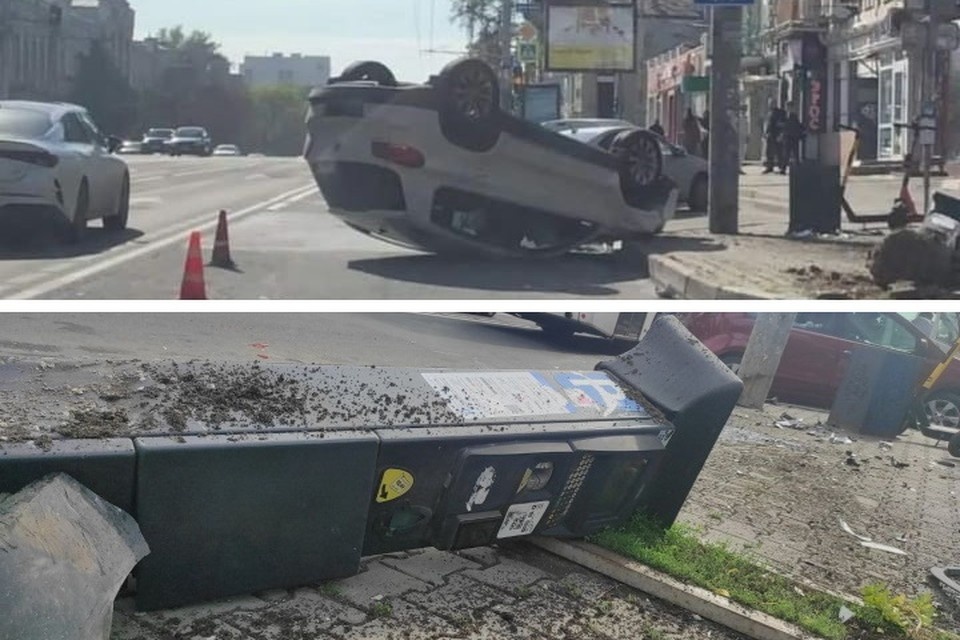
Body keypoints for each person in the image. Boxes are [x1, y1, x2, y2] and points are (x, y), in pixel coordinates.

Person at [780, 101, 804, 174]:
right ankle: (783, 168)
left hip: (793, 137)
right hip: (787, 136)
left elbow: (797, 125)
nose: (788, 108)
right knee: (786, 154)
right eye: (787, 107)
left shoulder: (794, 116)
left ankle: (797, 168)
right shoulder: (785, 116)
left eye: (790, 107)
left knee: (795, 153)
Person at [763, 99, 786, 174]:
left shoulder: (781, 112)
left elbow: (783, 124)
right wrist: (766, 133)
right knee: (769, 152)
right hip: (770, 135)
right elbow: (768, 124)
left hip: (777, 134)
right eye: (770, 103)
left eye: (772, 103)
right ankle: (769, 167)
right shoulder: (769, 113)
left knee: (779, 151)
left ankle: (781, 167)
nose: (771, 104)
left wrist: (781, 134)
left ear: (775, 103)